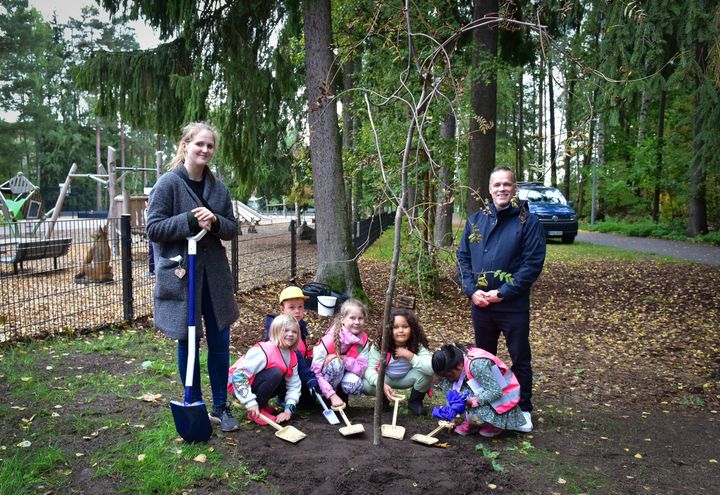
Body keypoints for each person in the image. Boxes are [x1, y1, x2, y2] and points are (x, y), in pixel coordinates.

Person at [146, 122, 240, 432]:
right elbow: (154, 229)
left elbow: (232, 227)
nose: (204, 150)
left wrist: (215, 221)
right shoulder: (168, 184)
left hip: (213, 276)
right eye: (199, 144)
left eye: (210, 146)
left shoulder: (218, 188)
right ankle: (194, 402)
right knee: (189, 340)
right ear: (185, 145)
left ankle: (221, 406)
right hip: (183, 276)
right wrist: (188, 219)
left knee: (220, 340)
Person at [456, 166, 546, 431]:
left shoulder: (526, 222)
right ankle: (487, 410)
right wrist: (472, 291)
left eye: (507, 184)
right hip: (482, 306)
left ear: (514, 188)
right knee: (483, 361)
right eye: (497, 185)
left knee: (520, 357)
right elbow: (463, 259)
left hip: (513, 306)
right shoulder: (475, 221)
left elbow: (532, 264)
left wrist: (502, 293)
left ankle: (524, 409)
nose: (502, 189)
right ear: (489, 188)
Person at [431, 343, 529, 437]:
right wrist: (451, 411)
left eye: (450, 375)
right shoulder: (457, 364)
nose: (450, 379)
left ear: (459, 365)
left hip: (504, 397)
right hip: (483, 390)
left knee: (473, 406)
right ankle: (473, 423)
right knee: (449, 387)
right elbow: (451, 389)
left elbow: (495, 391)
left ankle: (495, 424)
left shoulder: (477, 365)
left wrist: (472, 401)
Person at [229, 314, 301, 425]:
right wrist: (250, 402)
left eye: (294, 332)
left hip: (255, 383)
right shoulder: (264, 351)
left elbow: (294, 384)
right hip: (237, 385)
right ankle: (257, 409)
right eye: (286, 330)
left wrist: (288, 410)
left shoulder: (292, 356)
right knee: (276, 373)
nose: (290, 334)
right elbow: (238, 376)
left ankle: (262, 403)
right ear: (276, 331)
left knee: (284, 377)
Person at [362, 308, 434, 415]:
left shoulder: (416, 345)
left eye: (405, 327)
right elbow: (369, 370)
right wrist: (381, 384)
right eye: (395, 327)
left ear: (412, 329)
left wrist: (410, 356)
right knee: (367, 384)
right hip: (386, 379)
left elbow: (431, 368)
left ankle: (415, 402)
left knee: (426, 374)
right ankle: (384, 401)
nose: (400, 331)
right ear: (388, 329)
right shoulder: (379, 346)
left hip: (407, 378)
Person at [263, 286, 320, 409]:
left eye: (300, 307)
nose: (297, 311)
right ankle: (282, 397)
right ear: (282, 309)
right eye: (292, 307)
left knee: (308, 402)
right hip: (281, 371)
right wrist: (309, 377)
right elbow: (294, 354)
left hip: (297, 369)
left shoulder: (300, 326)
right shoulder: (276, 329)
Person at [311, 298, 370, 408]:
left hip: (345, 374)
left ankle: (343, 398)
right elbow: (315, 372)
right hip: (324, 380)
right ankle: (329, 400)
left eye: (360, 318)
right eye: (352, 318)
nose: (357, 322)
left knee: (355, 385)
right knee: (336, 364)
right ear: (343, 319)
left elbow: (361, 369)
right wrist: (331, 394)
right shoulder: (329, 340)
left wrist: (344, 359)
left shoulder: (363, 341)